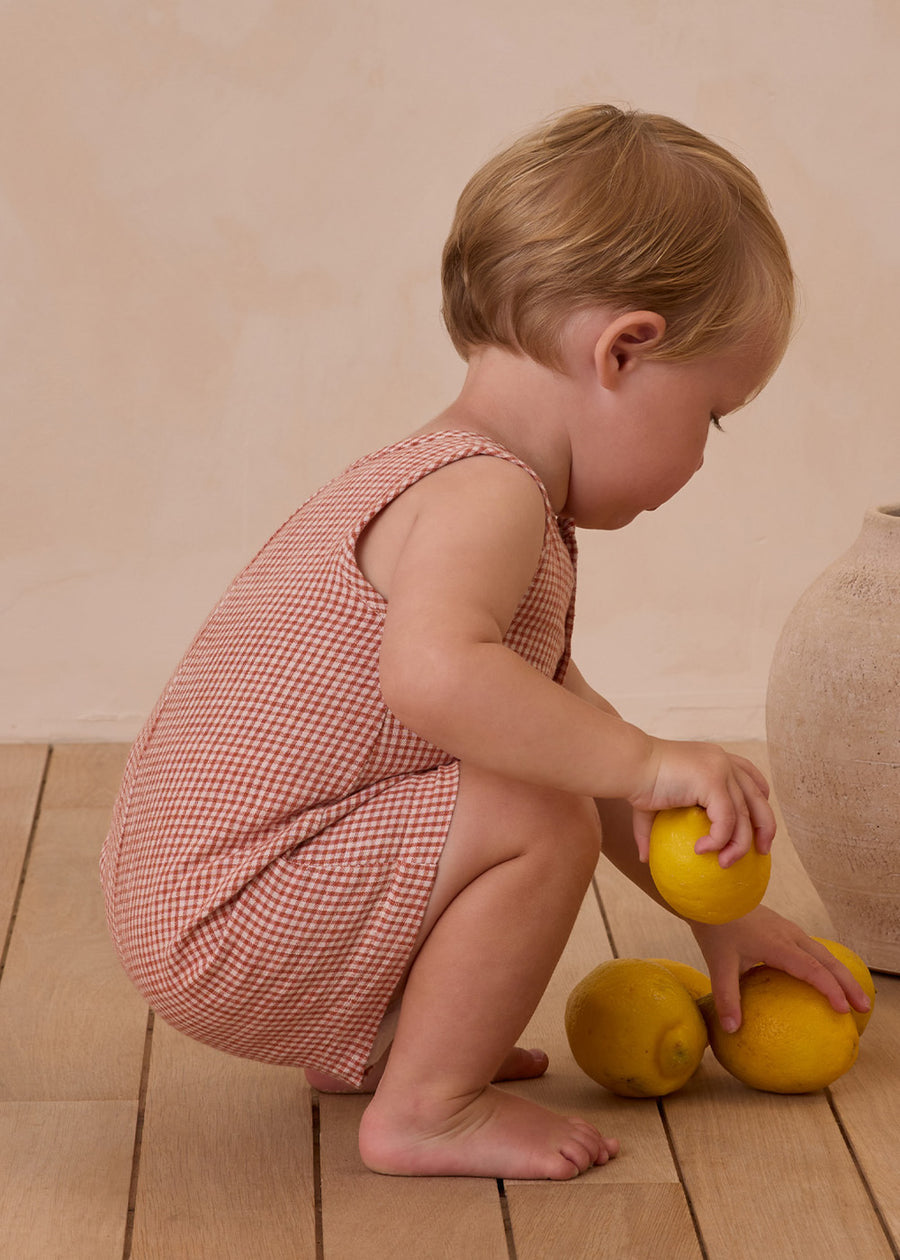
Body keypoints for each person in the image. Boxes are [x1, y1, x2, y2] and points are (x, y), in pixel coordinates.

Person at [100, 104, 870, 1182]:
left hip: (225, 902)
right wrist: (650, 762)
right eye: (714, 414)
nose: (704, 455)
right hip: (231, 918)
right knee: (534, 809)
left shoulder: (462, 476)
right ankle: (429, 1108)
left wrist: (721, 921)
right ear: (625, 350)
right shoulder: (486, 499)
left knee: (541, 770)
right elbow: (435, 683)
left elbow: (548, 723)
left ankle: (390, 1047)